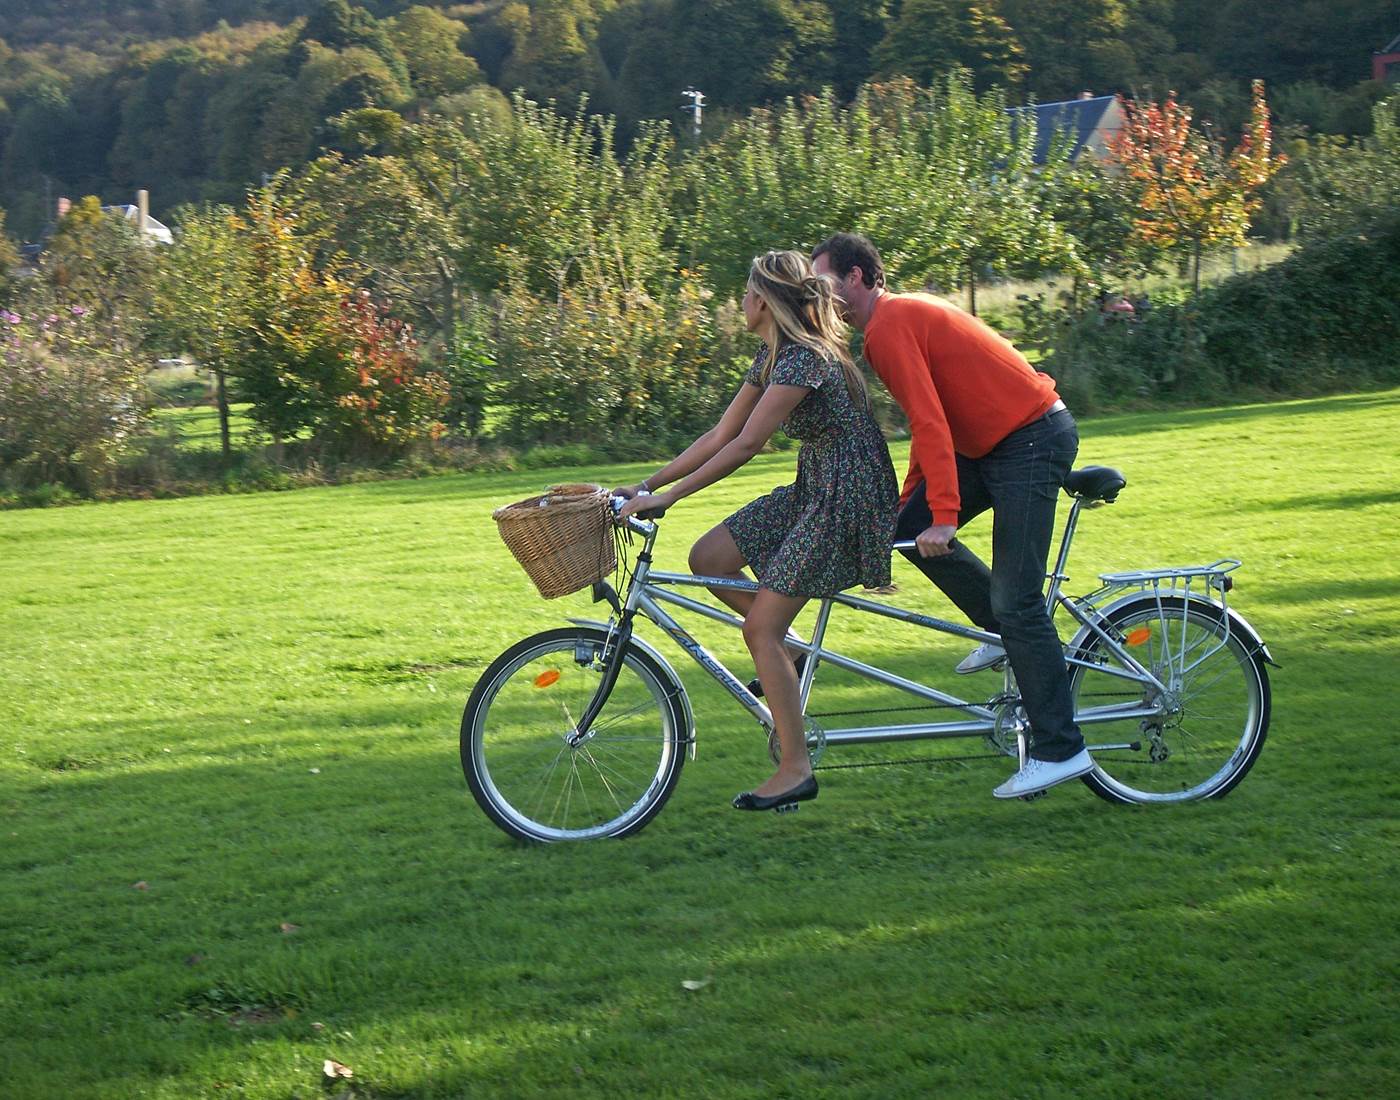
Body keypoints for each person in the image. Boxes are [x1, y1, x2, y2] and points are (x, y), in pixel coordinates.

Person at [811, 232, 1091, 799]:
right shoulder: (890, 322)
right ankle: (1002, 631)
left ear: (855, 278)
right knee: (906, 532)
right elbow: (930, 421)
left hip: (1030, 439)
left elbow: (929, 421)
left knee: (1019, 601)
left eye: (822, 283)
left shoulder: (889, 325)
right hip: (992, 445)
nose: (817, 296)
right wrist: (914, 503)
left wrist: (944, 514)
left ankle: (1061, 748)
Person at [616, 250, 898, 811]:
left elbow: (748, 444)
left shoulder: (805, 358)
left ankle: (795, 769)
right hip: (816, 484)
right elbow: (722, 432)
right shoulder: (772, 357)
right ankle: (790, 654)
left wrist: (668, 498)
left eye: (745, 294)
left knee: (759, 630)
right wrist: (646, 485)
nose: (740, 303)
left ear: (764, 300)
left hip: (847, 495)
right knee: (710, 557)